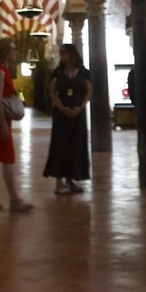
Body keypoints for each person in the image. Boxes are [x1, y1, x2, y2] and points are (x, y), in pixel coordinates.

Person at [0, 37, 33, 213]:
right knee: (8, 158)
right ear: (6, 53)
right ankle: (15, 200)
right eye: (13, 49)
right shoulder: (1, 71)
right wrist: (3, 125)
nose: (15, 52)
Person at [42, 43, 92, 194]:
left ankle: (70, 180)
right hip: (61, 115)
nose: (61, 55)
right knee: (60, 145)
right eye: (61, 52)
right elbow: (52, 93)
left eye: (64, 52)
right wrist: (62, 108)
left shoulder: (84, 72)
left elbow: (89, 91)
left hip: (78, 115)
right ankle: (59, 183)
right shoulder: (58, 72)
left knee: (75, 145)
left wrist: (81, 107)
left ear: (72, 54)